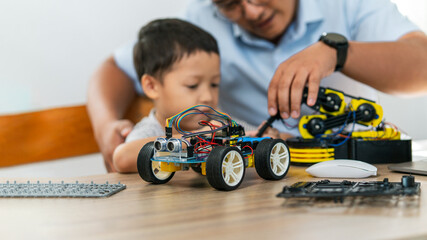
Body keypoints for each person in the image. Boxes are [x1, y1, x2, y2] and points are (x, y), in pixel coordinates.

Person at [88, 0, 427, 172]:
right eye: (230, 4)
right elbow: (113, 69)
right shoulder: (200, 22)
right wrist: (106, 129)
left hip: (350, 168)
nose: (250, 11)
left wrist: (338, 52)